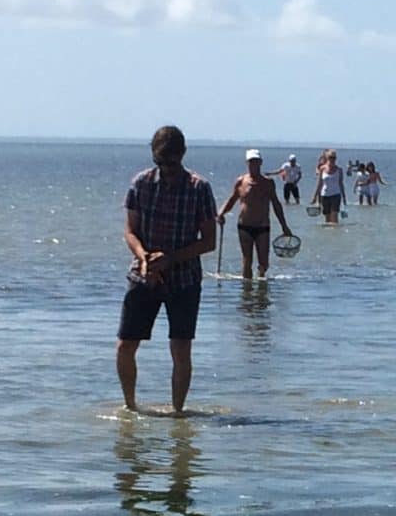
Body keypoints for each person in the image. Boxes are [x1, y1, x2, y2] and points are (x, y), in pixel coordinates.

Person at [118, 125, 218, 413]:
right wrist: (144, 256)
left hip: (184, 279)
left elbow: (209, 242)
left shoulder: (199, 188)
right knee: (126, 345)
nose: (166, 169)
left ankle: (178, 412)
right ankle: (131, 408)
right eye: (160, 162)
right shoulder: (141, 183)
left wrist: (171, 258)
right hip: (143, 275)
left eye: (171, 163)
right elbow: (130, 231)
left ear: (182, 154)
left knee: (181, 348)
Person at [221, 148, 291, 280]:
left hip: (262, 227)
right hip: (244, 226)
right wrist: (220, 213)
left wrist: (284, 226)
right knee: (247, 260)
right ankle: (247, 295)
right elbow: (232, 200)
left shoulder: (268, 183)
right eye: (251, 162)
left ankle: (261, 289)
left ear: (261, 162)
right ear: (247, 163)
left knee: (263, 263)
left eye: (256, 161)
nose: (254, 164)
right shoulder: (241, 181)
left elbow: (276, 204)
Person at [316, 149, 346, 224]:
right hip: (325, 195)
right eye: (330, 157)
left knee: (334, 218)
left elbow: (341, 184)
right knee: (327, 220)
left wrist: (344, 197)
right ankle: (328, 235)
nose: (332, 159)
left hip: (336, 195)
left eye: (334, 157)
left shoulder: (339, 170)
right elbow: (319, 183)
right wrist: (315, 197)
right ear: (327, 158)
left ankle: (335, 234)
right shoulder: (322, 168)